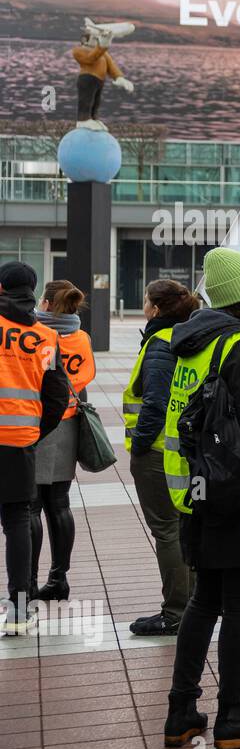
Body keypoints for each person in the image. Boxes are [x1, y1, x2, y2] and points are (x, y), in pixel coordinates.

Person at [163, 249, 240, 749]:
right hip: (237, 498)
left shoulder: (192, 342)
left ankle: (181, 711)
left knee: (204, 602)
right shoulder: (239, 346)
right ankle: (235, 715)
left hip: (196, 495)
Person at [126, 281, 200, 636]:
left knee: (167, 530)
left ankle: (175, 612)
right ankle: (192, 604)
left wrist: (139, 445)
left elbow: (154, 402)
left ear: (155, 308)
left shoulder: (160, 343)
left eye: (145, 301)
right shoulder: (188, 336)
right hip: (180, 448)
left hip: (156, 450)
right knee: (182, 526)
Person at [0, 262, 68, 635]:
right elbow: (57, 396)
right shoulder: (45, 337)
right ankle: (19, 611)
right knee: (17, 521)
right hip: (19, 440)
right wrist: (34, 430)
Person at [29, 280, 95, 601]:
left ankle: (29, 580)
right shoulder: (82, 337)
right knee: (60, 503)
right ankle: (59, 578)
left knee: (32, 506)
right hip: (69, 424)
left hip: (41, 424)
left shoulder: (42, 336)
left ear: (46, 303)